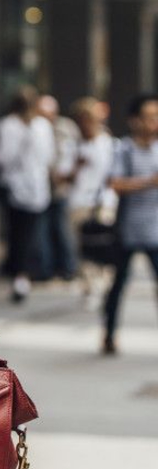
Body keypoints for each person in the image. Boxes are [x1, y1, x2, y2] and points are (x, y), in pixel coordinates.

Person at [102, 94, 158, 355]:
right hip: (128, 228)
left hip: (156, 229)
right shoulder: (124, 148)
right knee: (118, 284)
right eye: (149, 117)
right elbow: (114, 183)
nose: (154, 122)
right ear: (135, 120)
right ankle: (109, 333)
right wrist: (148, 182)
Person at [0, 86, 55, 302]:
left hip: (30, 187)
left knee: (25, 233)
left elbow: (46, 157)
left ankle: (24, 273)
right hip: (21, 188)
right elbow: (4, 158)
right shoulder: (13, 125)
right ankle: (22, 274)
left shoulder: (36, 126)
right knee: (22, 234)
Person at [67, 96, 117, 301]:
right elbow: (62, 176)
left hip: (104, 202)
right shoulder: (74, 145)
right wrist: (77, 166)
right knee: (82, 247)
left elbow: (114, 176)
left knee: (104, 245)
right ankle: (88, 287)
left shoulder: (109, 144)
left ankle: (107, 284)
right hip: (79, 202)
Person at [36, 95, 79, 281]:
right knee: (42, 230)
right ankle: (46, 268)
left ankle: (68, 267)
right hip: (40, 186)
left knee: (62, 228)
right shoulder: (36, 127)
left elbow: (72, 152)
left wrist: (66, 174)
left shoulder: (65, 128)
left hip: (60, 185)